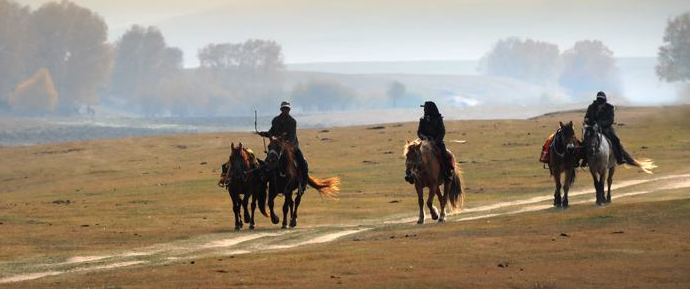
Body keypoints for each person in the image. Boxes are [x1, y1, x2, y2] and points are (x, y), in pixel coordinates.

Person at [257, 101, 309, 192]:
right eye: (284, 108)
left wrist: (284, 145)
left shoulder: (293, 122)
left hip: (292, 147)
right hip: (277, 147)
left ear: (289, 110)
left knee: (303, 164)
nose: (285, 110)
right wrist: (263, 134)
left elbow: (292, 137)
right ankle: (263, 183)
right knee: (266, 165)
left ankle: (303, 185)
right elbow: (271, 132)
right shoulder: (275, 120)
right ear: (281, 109)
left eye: (287, 109)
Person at [405, 101, 453, 184]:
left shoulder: (438, 119)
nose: (424, 110)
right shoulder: (422, 119)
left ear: (430, 109)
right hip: (424, 142)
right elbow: (419, 131)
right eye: (424, 108)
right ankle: (411, 175)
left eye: (425, 108)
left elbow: (442, 131)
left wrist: (435, 141)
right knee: (413, 155)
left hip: (437, 142)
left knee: (444, 154)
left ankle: (447, 174)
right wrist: (423, 137)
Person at [583, 91, 632, 165]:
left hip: (606, 128)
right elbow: (587, 116)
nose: (600, 103)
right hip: (592, 127)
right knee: (586, 138)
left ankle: (620, 158)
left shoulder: (610, 108)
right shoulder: (591, 107)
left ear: (605, 101)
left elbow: (610, 120)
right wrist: (586, 119)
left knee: (615, 140)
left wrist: (599, 124)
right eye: (599, 101)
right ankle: (585, 159)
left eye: (602, 101)